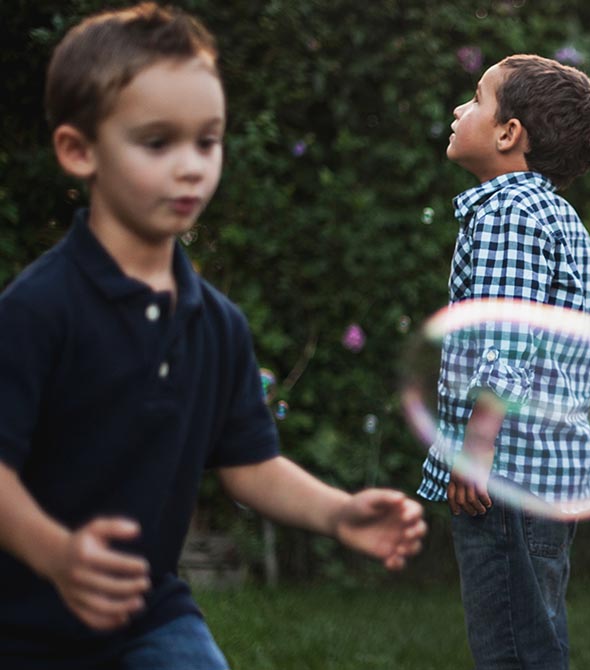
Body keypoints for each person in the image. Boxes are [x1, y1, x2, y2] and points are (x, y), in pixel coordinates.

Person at [0, 5, 427, 668]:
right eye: (157, 142)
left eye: (207, 140)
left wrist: (340, 513)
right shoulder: (40, 310)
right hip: (22, 622)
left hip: (150, 616)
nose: (192, 166)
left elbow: (249, 464)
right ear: (78, 151)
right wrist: (57, 554)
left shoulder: (216, 323)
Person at [416, 54, 590, 668]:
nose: (458, 110)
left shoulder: (509, 214)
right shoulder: (557, 216)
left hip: (505, 469)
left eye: (475, 99)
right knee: (536, 630)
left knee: (512, 646)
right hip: (542, 470)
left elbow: (505, 342)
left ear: (509, 133)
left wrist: (476, 449)